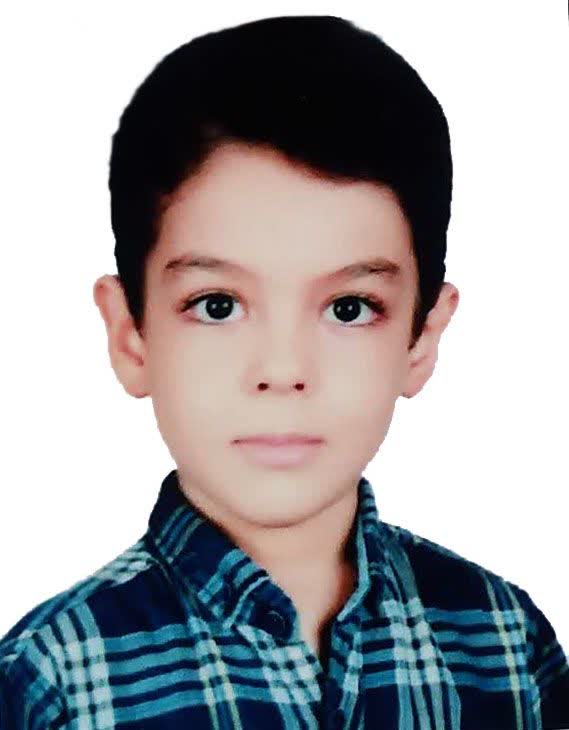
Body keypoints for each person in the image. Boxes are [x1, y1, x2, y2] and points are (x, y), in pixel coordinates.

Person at [1, 14, 567, 729]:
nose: (282, 370)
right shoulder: (53, 677)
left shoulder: (505, 643)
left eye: (349, 308)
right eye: (217, 305)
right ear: (130, 336)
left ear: (421, 338)